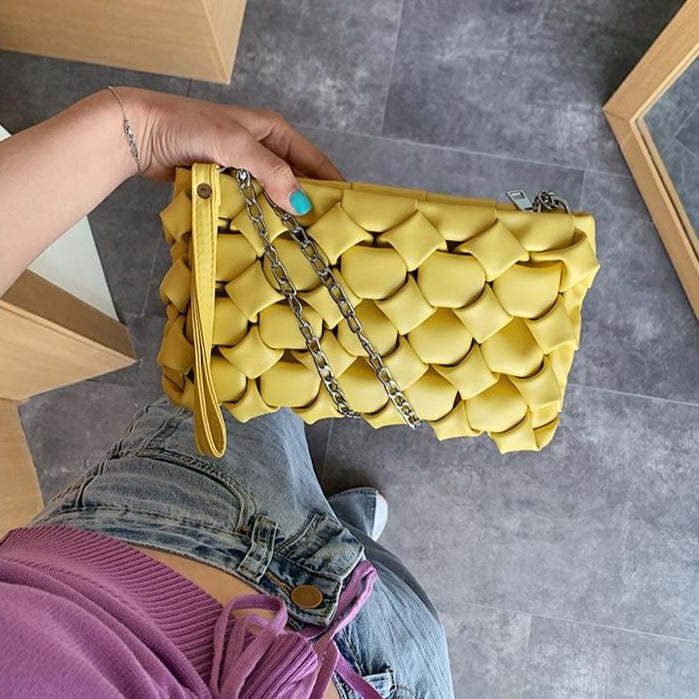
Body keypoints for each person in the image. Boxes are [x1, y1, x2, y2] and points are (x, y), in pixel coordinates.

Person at [0, 86, 454, 697]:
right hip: (354, 667)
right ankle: (343, 528)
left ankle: (330, 525)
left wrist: (131, 128)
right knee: (409, 613)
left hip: (161, 521)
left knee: (258, 371)